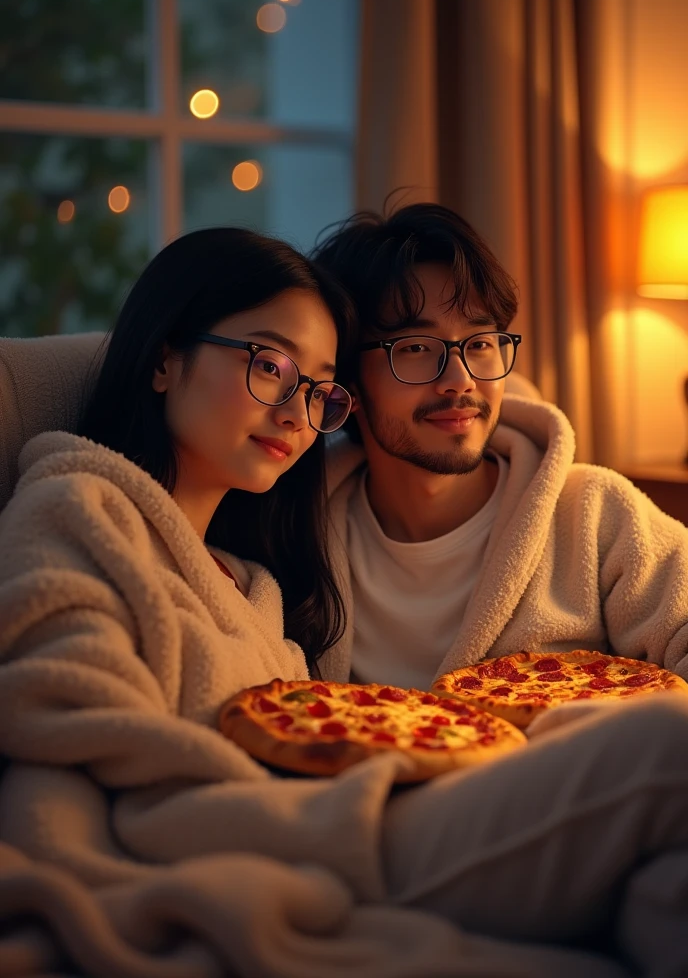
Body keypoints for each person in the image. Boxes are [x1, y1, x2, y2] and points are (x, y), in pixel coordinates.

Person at [0, 225, 687, 978]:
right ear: (164, 355)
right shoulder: (112, 517)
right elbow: (68, 739)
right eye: (270, 365)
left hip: (356, 831)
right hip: (348, 836)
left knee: (662, 888)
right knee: (663, 744)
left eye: (482, 343)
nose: (297, 412)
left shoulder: (259, 584)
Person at [312, 202, 688, 692]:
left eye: (480, 342)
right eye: (416, 349)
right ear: (348, 382)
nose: (460, 381)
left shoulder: (592, 514)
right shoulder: (298, 535)